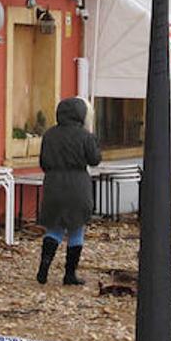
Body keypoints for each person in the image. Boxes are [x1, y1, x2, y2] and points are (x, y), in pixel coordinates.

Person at [36, 97, 102, 286]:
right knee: (76, 228)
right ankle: (70, 274)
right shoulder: (85, 136)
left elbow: (44, 162)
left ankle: (44, 267)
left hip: (53, 183)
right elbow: (94, 159)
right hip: (77, 184)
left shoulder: (49, 135)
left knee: (54, 228)